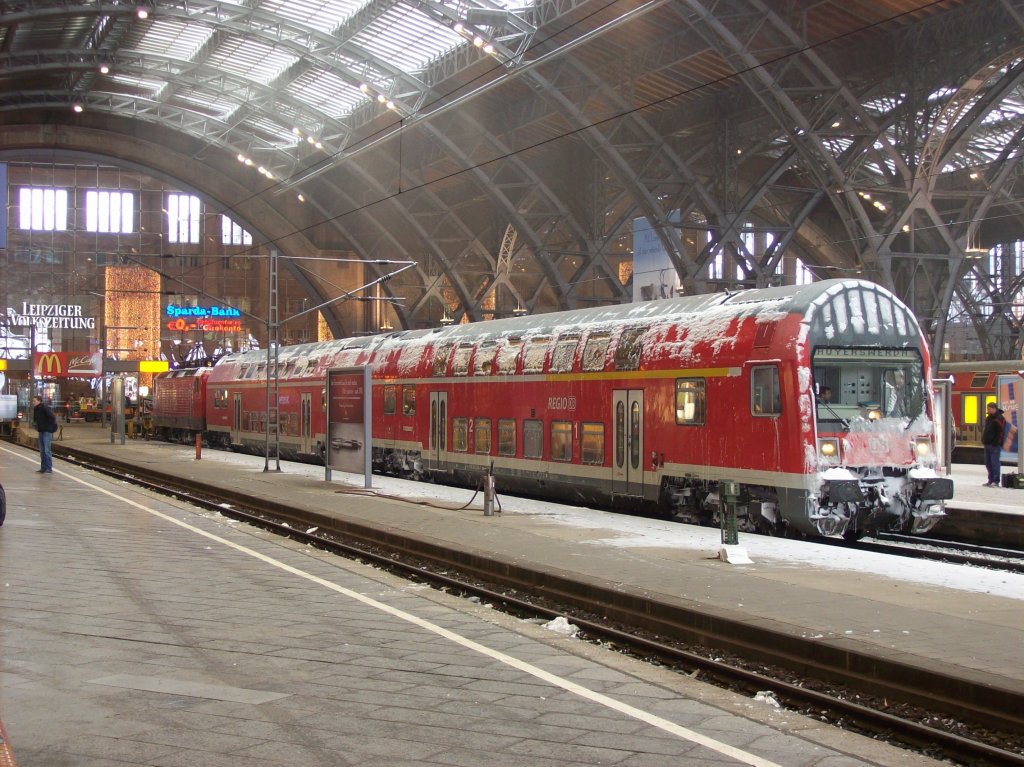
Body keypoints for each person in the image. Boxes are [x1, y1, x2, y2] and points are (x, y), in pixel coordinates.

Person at [31, 395, 58, 474]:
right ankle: (43, 468)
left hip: (46, 431)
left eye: (34, 401)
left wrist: (49, 426)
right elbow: (36, 419)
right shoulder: (36, 409)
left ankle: (49, 468)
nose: (33, 402)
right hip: (41, 431)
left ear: (39, 401)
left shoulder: (44, 408)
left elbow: (52, 417)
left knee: (47, 450)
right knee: (42, 451)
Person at [982, 402, 1006, 487]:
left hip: (994, 445)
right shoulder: (989, 418)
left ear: (994, 408)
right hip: (987, 444)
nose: (987, 410)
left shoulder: (999, 419)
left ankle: (996, 481)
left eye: (989, 409)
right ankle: (990, 480)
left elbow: (1001, 433)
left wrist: (996, 442)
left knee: (995, 463)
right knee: (988, 463)